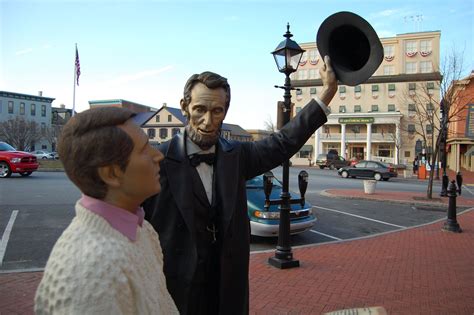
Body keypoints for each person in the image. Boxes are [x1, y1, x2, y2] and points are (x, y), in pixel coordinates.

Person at [143, 56, 337, 314]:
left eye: (217, 111)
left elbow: (283, 141)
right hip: (175, 295)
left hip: (227, 293)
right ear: (185, 107)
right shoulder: (156, 161)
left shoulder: (239, 156)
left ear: (226, 111)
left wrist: (327, 93)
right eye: (200, 109)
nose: (208, 121)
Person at [35, 107, 178, 314]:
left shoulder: (142, 230)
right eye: (145, 149)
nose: (158, 156)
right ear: (111, 173)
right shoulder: (90, 272)